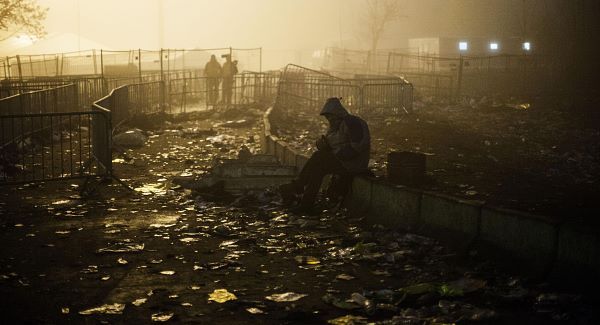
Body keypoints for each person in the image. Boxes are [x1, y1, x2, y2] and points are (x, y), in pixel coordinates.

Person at [280, 97, 371, 214]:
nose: (329, 119)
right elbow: (333, 143)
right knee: (318, 168)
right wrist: (323, 145)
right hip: (344, 162)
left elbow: (358, 145)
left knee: (319, 158)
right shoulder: (335, 127)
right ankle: (305, 203)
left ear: (337, 113)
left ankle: (299, 187)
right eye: (328, 117)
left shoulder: (352, 122)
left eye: (330, 116)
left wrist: (336, 154)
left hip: (354, 163)